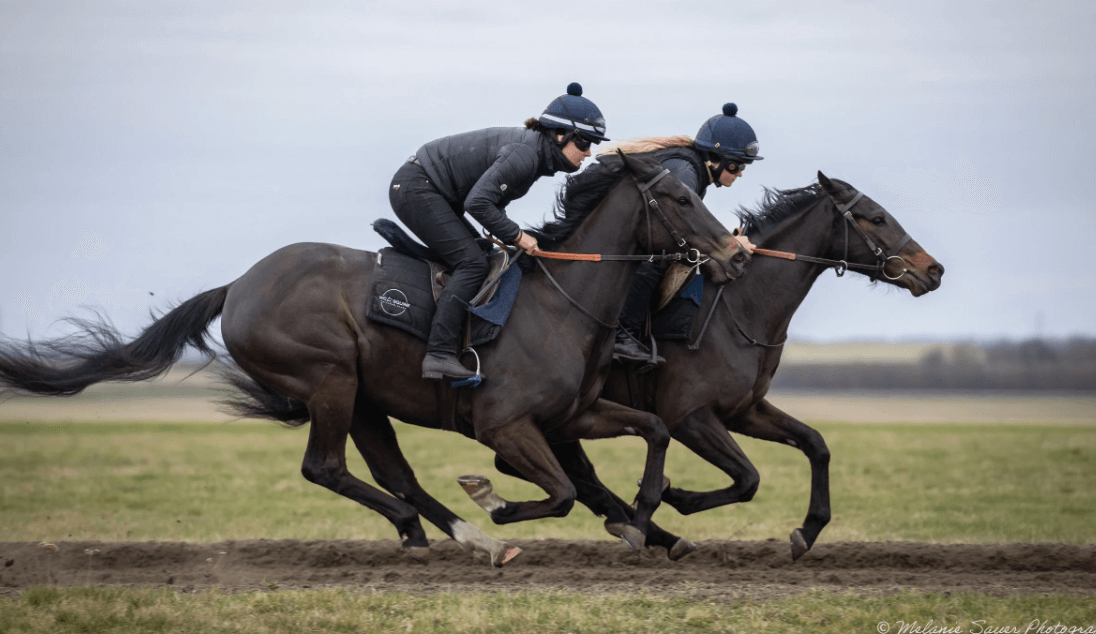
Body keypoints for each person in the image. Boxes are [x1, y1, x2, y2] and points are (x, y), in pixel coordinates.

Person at [389, 83, 609, 380]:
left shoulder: (534, 156)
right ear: (561, 135)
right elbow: (477, 203)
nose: (588, 153)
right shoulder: (526, 156)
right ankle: (439, 353)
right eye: (584, 143)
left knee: (481, 252)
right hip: (417, 187)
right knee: (473, 262)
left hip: (431, 191)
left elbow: (489, 206)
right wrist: (518, 236)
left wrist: (511, 239)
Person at [608, 102, 762, 364]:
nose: (740, 174)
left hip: (622, 225)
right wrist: (728, 243)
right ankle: (621, 336)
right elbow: (682, 224)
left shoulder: (691, 169)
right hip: (610, 229)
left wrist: (726, 240)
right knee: (657, 261)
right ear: (715, 159)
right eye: (737, 166)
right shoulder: (685, 171)